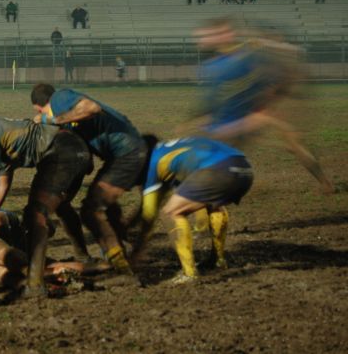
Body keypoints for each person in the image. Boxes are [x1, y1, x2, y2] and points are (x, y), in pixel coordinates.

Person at [0, 111, 93, 298]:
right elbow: (3, 186)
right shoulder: (0, 130)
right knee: (61, 206)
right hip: (76, 149)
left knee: (35, 215)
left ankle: (35, 284)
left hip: (60, 153)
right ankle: (84, 258)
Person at [189, 18, 334, 194]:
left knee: (292, 144)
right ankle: (213, 181)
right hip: (257, 109)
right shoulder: (257, 55)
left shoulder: (268, 54)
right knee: (234, 146)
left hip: (266, 109)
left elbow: (283, 73)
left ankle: (325, 184)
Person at [31, 84, 147, 276]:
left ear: (38, 107)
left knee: (92, 211)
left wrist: (51, 119)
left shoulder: (60, 98)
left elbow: (92, 108)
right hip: (124, 153)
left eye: (41, 113)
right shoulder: (69, 117)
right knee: (104, 209)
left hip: (127, 153)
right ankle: (122, 255)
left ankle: (122, 267)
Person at [132, 136, 253, 284]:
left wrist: (137, 250)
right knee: (213, 205)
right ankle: (218, 261)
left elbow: (149, 213)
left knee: (171, 212)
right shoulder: (169, 148)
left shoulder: (151, 162)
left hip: (218, 170)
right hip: (244, 168)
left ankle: (189, 274)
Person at [0, 211, 110, 288]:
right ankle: (38, 278)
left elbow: (57, 264)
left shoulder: (32, 250)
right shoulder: (11, 222)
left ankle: (39, 281)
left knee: (0, 271)